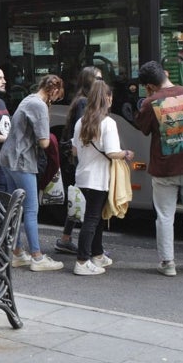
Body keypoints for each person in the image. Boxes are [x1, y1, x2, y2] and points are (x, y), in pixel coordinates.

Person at [134, 60, 183, 276]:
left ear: (149, 86)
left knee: (165, 216)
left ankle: (168, 263)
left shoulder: (151, 102)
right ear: (166, 74)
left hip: (164, 168)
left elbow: (143, 128)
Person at [0, 74, 66, 272]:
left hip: (7, 158)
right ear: (53, 91)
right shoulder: (39, 105)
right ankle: (37, 256)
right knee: (30, 208)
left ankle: (18, 252)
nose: (55, 100)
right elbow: (44, 141)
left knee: (15, 208)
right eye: (57, 96)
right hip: (22, 160)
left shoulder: (28, 99)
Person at [72, 79, 132, 276]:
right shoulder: (108, 122)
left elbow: (74, 150)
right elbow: (113, 152)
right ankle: (82, 261)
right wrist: (126, 153)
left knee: (95, 218)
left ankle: (97, 254)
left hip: (83, 175)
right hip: (98, 178)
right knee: (91, 219)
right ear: (107, 98)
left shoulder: (81, 122)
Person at [55, 66, 101, 255]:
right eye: (98, 78)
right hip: (81, 158)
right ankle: (90, 247)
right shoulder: (84, 102)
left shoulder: (82, 100)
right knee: (87, 201)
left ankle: (66, 238)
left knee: (79, 197)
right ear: (88, 81)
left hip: (78, 157)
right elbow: (85, 130)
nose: (101, 82)